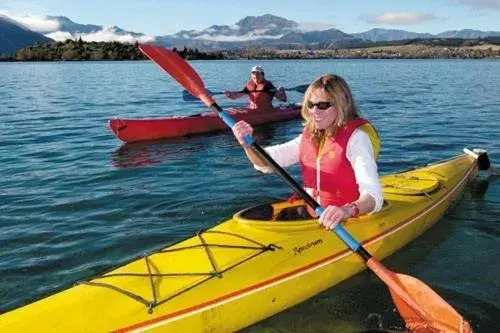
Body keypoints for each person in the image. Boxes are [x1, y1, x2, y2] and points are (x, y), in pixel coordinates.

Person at [231, 74, 383, 229]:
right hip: (313, 216)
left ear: (341, 105)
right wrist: (247, 144)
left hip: (348, 220)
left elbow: (373, 196)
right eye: (311, 105)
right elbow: (266, 161)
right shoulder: (309, 135)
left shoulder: (357, 139)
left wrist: (347, 210)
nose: (314, 111)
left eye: (323, 105)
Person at [223, 65, 288, 111]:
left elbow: (283, 99)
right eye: (254, 74)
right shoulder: (249, 85)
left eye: (258, 74)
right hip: (252, 110)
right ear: (251, 75)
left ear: (262, 75)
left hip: (266, 112)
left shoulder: (268, 85)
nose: (256, 76)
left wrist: (282, 91)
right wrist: (229, 94)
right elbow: (235, 96)